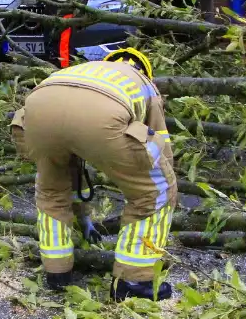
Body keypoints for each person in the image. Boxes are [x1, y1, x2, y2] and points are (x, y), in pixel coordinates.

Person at [9, 47, 179, 302]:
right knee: (156, 193)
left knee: (51, 191)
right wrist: (158, 178)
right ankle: (134, 280)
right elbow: (160, 147)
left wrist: (84, 217)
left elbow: (72, 134)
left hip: (35, 111)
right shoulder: (145, 85)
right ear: (145, 70)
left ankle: (57, 273)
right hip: (102, 117)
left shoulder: (83, 71)